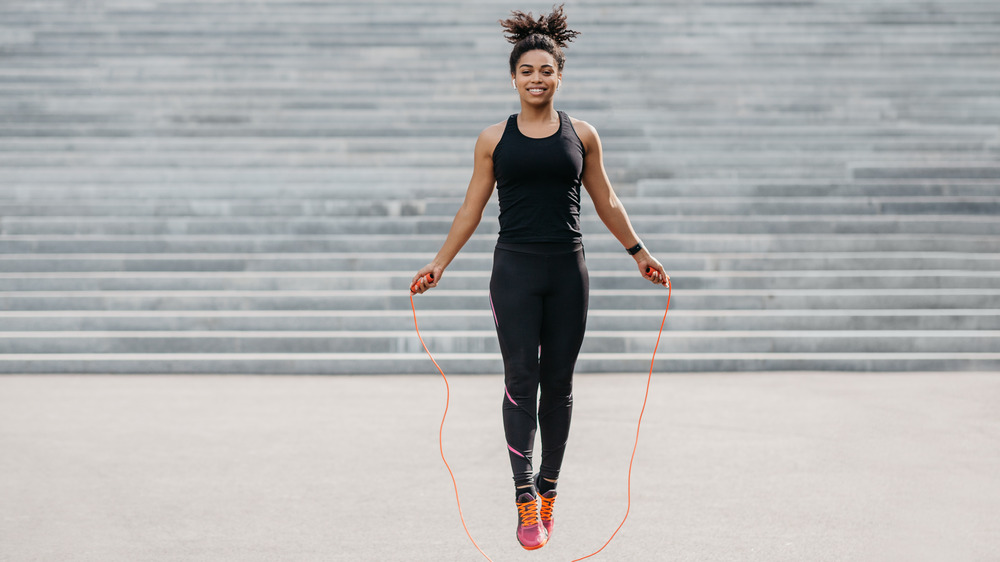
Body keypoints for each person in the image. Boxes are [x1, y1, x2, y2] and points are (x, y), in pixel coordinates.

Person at [410, 4, 668, 551]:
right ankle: (524, 495)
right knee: (520, 378)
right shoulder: (492, 139)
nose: (536, 79)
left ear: (560, 75)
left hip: (568, 270)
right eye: (526, 71)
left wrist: (638, 252)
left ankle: (550, 488)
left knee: (561, 384)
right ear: (513, 78)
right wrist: (439, 263)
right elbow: (470, 210)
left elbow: (607, 200)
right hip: (515, 270)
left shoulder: (583, 135)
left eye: (545, 70)